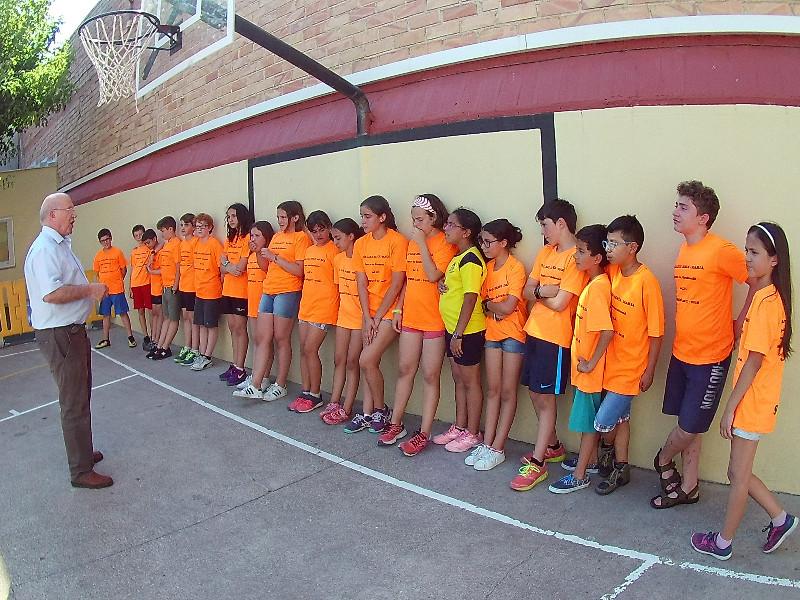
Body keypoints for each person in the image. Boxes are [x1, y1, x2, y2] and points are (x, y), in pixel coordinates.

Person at [691, 222, 795, 560]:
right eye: (746, 250)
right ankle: (780, 518)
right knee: (739, 471)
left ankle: (723, 543)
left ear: (774, 259)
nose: (747, 257)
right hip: (754, 399)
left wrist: (729, 409)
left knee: (737, 475)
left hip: (753, 401)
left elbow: (752, 363)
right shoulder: (765, 297)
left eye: (754, 252)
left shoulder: (767, 303)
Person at [652, 181, 751, 509]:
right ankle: (689, 487)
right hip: (682, 352)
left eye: (683, 207)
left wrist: (740, 323)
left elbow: (758, 282)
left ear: (703, 218)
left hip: (711, 357)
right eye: (676, 205)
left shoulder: (722, 250)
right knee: (687, 424)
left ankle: (663, 459)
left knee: (689, 426)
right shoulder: (685, 249)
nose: (675, 212)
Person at [24, 193, 112, 489]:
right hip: (60, 334)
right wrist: (90, 290)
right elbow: (51, 293)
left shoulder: (58, 245)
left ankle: (83, 454)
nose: (74, 215)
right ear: (52, 215)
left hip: (71, 332)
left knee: (80, 396)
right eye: (69, 210)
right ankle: (81, 471)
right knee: (74, 401)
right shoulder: (45, 249)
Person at [512, 198, 587, 492]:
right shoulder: (546, 251)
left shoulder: (575, 258)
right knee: (535, 393)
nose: (542, 231)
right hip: (533, 331)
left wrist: (540, 293)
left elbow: (560, 304)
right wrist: (545, 290)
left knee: (546, 400)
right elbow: (526, 291)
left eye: (544, 225)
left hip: (556, 339)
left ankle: (538, 461)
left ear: (561, 223)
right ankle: (553, 446)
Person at [591, 216, 665, 495]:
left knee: (603, 421)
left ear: (632, 248)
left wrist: (649, 370)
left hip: (632, 368)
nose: (608, 249)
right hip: (609, 363)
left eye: (614, 244)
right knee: (621, 419)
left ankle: (605, 453)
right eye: (607, 243)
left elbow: (656, 333)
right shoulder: (613, 272)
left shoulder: (647, 282)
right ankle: (621, 468)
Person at [379, 194, 456, 454]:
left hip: (434, 318)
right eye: (413, 219)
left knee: (430, 375)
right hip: (411, 314)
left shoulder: (444, 242)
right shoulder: (413, 242)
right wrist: (398, 309)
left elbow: (433, 275)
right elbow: (408, 280)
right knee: (405, 369)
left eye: (420, 219)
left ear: (434, 218)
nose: (415, 224)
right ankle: (395, 423)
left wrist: (422, 242)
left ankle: (424, 432)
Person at [467, 219, 527, 470]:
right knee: (493, 390)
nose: (483, 246)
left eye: (488, 242)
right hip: (492, 333)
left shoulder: (515, 267)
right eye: (481, 241)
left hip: (513, 335)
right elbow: (483, 303)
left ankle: (498, 447)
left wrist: (492, 306)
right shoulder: (487, 267)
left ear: (503, 243)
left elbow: (509, 307)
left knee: (507, 392)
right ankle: (487, 442)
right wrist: (494, 307)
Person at [235, 201, 309, 401]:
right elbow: (265, 267)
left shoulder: (301, 238)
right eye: (278, 217)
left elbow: (299, 270)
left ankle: (281, 384)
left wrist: (275, 257)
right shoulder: (276, 237)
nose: (280, 221)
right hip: (268, 290)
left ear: (295, 217)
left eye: (283, 217)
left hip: (288, 291)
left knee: (281, 339)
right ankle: (256, 384)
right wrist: (258, 251)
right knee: (262, 338)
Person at [346, 196, 408, 434]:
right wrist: (367, 316)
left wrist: (378, 316)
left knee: (366, 359)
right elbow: (361, 283)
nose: (363, 221)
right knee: (369, 363)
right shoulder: (361, 244)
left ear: (382, 217)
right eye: (362, 216)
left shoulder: (397, 241)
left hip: (389, 312)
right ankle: (368, 413)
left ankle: (381, 410)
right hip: (368, 313)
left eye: (367, 216)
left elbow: (397, 283)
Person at [434, 208, 487, 453]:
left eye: (451, 225)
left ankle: (473, 433)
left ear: (466, 232)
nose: (445, 228)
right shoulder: (458, 257)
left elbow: (470, 297)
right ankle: (460, 425)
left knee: (471, 382)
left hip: (467, 332)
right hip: (453, 329)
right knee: (459, 379)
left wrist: (459, 334)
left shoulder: (471, 259)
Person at [290, 210, 339, 413]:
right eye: (314, 231)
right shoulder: (309, 250)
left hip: (324, 307)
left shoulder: (334, 250)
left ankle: (316, 394)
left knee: (311, 349)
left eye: (322, 230)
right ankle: (306, 391)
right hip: (307, 306)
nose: (318, 234)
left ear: (329, 228)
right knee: (303, 349)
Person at [321, 218, 367, 426]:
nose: (335, 242)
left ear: (351, 237)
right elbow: (339, 291)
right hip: (343, 316)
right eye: (333, 238)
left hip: (359, 319)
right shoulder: (338, 260)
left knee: (352, 362)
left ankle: (347, 407)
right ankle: (334, 402)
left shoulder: (361, 259)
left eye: (338, 238)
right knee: (339, 359)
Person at [234, 220, 275, 391]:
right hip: (252, 303)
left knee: (265, 342)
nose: (253, 239)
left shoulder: (266, 254)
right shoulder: (251, 254)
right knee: (256, 340)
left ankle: (264, 377)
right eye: (252, 235)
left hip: (264, 303)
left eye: (257, 235)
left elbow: (265, 270)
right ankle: (255, 375)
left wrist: (259, 251)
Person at [218, 203, 254, 385]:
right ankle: (234, 365)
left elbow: (240, 269)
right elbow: (221, 267)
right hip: (228, 290)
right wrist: (227, 266)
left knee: (240, 329)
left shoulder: (247, 238)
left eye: (233, 216)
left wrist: (227, 265)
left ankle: (240, 368)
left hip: (241, 292)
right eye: (228, 216)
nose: (230, 219)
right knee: (232, 328)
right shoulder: (229, 239)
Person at [189, 213, 224, 371]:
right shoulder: (195, 243)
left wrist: (220, 286)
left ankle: (208, 356)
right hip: (199, 291)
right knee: (201, 324)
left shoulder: (214, 244)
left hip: (212, 291)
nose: (199, 229)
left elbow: (221, 268)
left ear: (210, 228)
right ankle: (202, 353)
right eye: (197, 226)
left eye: (203, 226)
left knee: (210, 325)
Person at [92, 228, 135, 349]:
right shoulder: (98, 255)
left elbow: (123, 269)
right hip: (105, 291)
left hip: (117, 289)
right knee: (105, 315)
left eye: (107, 239)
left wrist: (117, 281)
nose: (105, 242)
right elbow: (97, 272)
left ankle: (130, 337)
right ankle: (106, 339)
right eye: (103, 241)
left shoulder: (118, 252)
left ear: (111, 238)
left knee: (122, 313)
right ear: (100, 242)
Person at [149, 216, 182, 360]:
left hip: (172, 287)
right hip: (164, 286)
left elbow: (178, 267)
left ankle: (165, 347)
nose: (162, 234)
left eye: (163, 231)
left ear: (171, 229)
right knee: (167, 318)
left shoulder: (177, 244)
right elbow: (164, 268)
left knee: (173, 319)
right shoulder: (166, 245)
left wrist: (175, 285)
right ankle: (160, 346)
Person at [175, 213, 201, 365]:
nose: (183, 228)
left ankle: (195, 349)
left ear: (193, 227)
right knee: (185, 317)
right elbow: (179, 266)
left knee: (193, 319)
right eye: (181, 225)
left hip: (193, 286)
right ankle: (187, 346)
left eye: (186, 225)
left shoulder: (196, 242)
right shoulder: (182, 244)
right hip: (183, 286)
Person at [129, 224, 153, 350]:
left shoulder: (149, 248)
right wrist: (130, 287)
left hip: (147, 283)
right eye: (136, 235)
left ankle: (154, 336)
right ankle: (146, 336)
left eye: (140, 234)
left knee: (151, 311)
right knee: (140, 311)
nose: (139, 237)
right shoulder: (134, 251)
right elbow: (132, 269)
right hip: (136, 284)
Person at [142, 228, 164, 355]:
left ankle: (158, 340)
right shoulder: (151, 252)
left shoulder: (160, 251)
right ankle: (154, 338)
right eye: (145, 243)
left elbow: (164, 270)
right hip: (153, 288)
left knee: (159, 314)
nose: (147, 245)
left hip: (160, 287)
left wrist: (151, 271)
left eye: (149, 242)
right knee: (154, 314)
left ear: (155, 239)